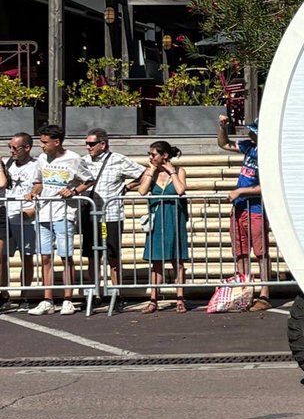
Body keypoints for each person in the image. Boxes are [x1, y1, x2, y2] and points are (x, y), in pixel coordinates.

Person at [27, 125, 93, 316]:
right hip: (44, 212)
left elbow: (88, 180)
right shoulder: (41, 159)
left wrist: (73, 191)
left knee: (65, 256)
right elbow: (38, 182)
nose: (42, 146)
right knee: (45, 256)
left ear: (57, 142)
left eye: (45, 142)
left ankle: (67, 299)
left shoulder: (73, 158)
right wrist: (32, 193)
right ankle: (47, 299)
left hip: (64, 212)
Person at [79, 128, 144, 292]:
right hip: (91, 215)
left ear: (103, 144)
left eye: (91, 144)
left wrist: (127, 186)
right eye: (86, 143)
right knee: (92, 255)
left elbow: (144, 173)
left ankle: (117, 291)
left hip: (111, 215)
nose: (88, 147)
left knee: (112, 256)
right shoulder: (83, 161)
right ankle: (95, 291)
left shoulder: (118, 159)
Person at [217, 115, 271, 310]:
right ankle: (244, 290)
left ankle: (264, 293)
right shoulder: (248, 146)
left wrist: (241, 191)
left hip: (255, 208)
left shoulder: (267, 154)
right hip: (239, 208)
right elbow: (224, 144)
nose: (249, 134)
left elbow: (267, 186)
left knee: (261, 252)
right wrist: (222, 127)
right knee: (240, 252)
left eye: (253, 131)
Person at [137, 141, 189, 313]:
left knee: (178, 260)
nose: (150, 157)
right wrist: (151, 171)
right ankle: (153, 299)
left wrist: (172, 172)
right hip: (157, 218)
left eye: (153, 155)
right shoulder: (149, 172)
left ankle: (180, 298)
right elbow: (142, 191)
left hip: (174, 217)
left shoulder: (180, 171)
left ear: (164, 156)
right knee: (156, 261)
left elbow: (180, 190)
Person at [2, 134, 39, 311]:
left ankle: (24, 295)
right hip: (7, 215)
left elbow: (42, 187)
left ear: (27, 148)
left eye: (15, 148)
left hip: (26, 217)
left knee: (26, 257)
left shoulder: (36, 165)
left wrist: (34, 209)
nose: (12, 151)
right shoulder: (8, 164)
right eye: (10, 147)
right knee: (3, 258)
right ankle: (4, 295)